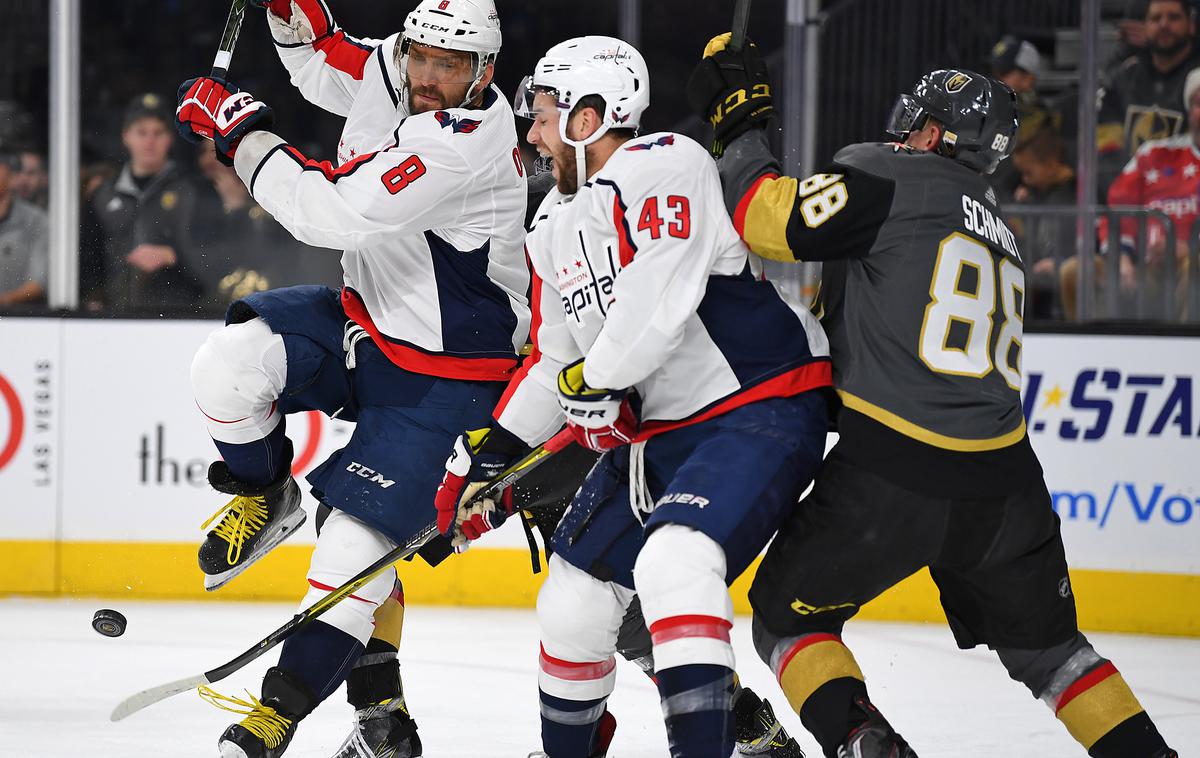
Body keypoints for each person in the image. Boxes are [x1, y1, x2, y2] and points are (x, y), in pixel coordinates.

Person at [689, 37, 1179, 758]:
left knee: (788, 621)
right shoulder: (1001, 228)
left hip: (891, 470)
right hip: (1007, 483)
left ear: (935, 134)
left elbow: (769, 222)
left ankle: (863, 740)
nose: (905, 130)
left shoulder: (890, 176)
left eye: (918, 120)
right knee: (1055, 655)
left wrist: (741, 127)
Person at [435, 36, 832, 758]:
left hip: (755, 407)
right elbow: (559, 355)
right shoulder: (551, 225)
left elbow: (658, 307)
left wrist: (596, 381)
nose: (532, 131)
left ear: (591, 116)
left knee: (672, 565)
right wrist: (486, 456)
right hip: (664, 436)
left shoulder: (668, 162)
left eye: (546, 114)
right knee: (572, 602)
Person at [174, 0, 529, 755]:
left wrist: (240, 133)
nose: (429, 77)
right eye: (421, 57)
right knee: (230, 364)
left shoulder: (465, 141)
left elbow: (331, 213)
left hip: (453, 379)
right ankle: (267, 493)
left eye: (451, 66)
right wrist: (290, 8)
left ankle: (282, 709)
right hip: (368, 329)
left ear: (485, 72)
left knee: (353, 549)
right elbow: (320, 56)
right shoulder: (393, 70)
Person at [1062, 67, 1200, 321]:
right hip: (1142, 268)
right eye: (1198, 103)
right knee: (1075, 271)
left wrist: (1189, 250)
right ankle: (1087, 353)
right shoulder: (1155, 153)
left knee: (1195, 268)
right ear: (1189, 110)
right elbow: (1115, 210)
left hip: (1187, 270)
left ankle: (1189, 354)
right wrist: (1122, 259)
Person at [91, 93, 207, 311]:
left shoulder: (192, 191)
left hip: (178, 314)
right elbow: (88, 255)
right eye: (142, 132)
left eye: (158, 133)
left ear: (170, 138)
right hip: (112, 316)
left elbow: (213, 252)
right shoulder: (103, 194)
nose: (150, 141)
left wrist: (173, 256)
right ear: (126, 136)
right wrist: (90, 298)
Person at [1098, 0, 1200, 190]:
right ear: (1145, 26)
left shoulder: (1198, 82)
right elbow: (1106, 146)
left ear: (1191, 26)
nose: (1164, 24)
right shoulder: (1123, 78)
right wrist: (1121, 188)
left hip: (1186, 198)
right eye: (1155, 18)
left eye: (1174, 17)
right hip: (1128, 193)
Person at [1009, 126, 1076, 319]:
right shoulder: (1036, 194)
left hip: (1063, 293)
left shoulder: (1081, 192)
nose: (1025, 180)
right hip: (1038, 280)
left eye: (1028, 172)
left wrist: (1060, 262)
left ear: (1050, 163)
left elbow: (1091, 240)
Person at [986, 35, 1060, 203]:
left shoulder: (1042, 118)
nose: (997, 78)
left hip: (1018, 201)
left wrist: (1028, 187)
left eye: (1004, 72)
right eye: (995, 72)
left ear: (1028, 78)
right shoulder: (988, 108)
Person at [0, 142, 48, 308]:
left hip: (22, 321)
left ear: (11, 176)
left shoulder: (36, 220)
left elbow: (39, 283)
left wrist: (6, 300)